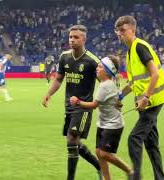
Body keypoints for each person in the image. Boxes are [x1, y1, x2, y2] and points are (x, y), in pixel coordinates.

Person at [114, 15, 164, 180]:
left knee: (134, 139)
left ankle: (135, 177)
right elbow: (133, 82)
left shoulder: (139, 47)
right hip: (147, 103)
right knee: (151, 144)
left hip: (153, 101)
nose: (119, 33)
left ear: (133, 30)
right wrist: (120, 97)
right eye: (117, 31)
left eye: (123, 30)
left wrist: (146, 97)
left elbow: (154, 74)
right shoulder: (130, 52)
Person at [42, 25, 102, 180]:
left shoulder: (92, 61)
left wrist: (110, 99)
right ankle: (99, 167)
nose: (72, 40)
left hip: (83, 107)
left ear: (84, 39)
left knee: (71, 140)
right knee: (75, 143)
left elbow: (106, 81)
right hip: (69, 107)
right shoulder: (64, 57)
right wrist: (49, 94)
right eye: (70, 37)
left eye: (76, 37)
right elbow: (59, 79)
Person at [69, 55, 134, 180]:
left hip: (113, 125)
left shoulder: (106, 85)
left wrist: (78, 102)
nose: (97, 69)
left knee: (104, 153)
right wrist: (120, 98)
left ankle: (129, 171)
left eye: (100, 67)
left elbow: (94, 105)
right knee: (99, 153)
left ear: (108, 70)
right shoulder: (109, 82)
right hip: (103, 123)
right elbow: (123, 90)